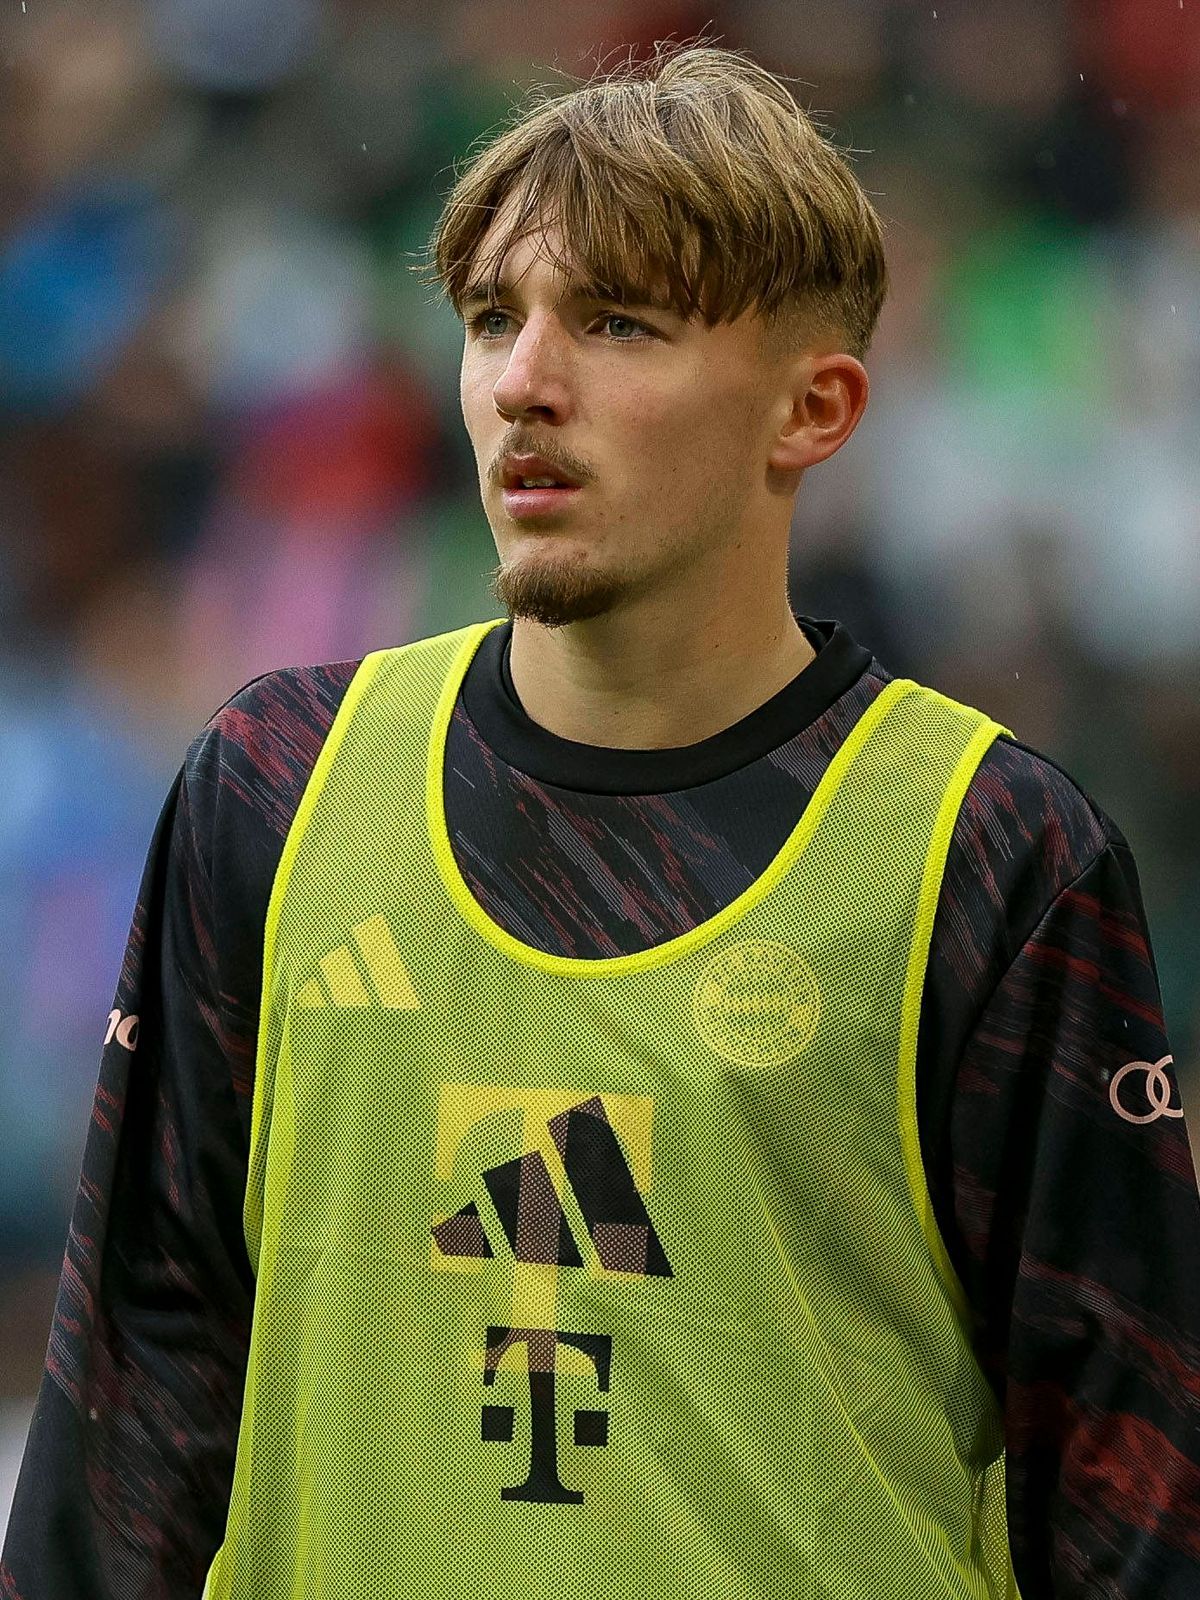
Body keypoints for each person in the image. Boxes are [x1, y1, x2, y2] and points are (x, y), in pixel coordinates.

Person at [4, 38, 1199, 1600]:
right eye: (495, 318)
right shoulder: (273, 786)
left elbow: (1131, 1499)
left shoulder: (995, 856)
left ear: (812, 408)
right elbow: (131, 1414)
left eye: (619, 322)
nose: (523, 380)